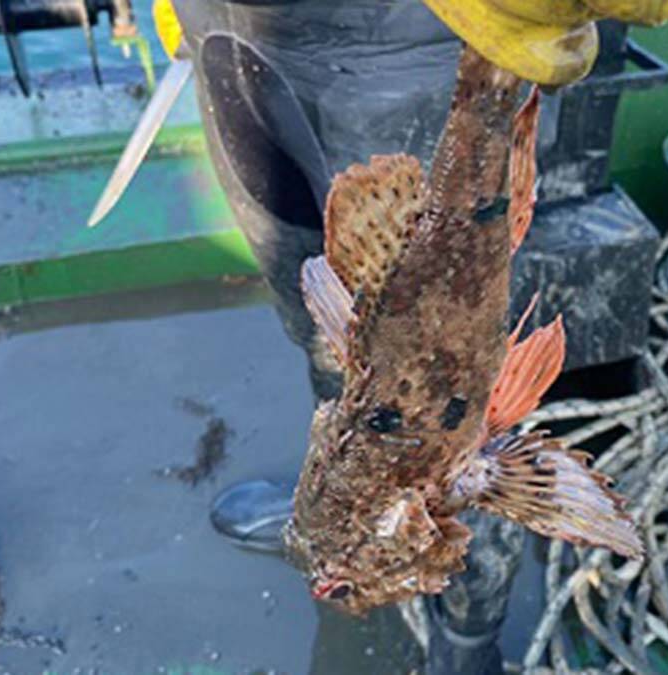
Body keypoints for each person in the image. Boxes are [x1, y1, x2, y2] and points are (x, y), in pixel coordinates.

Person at [172, 2, 520, 672]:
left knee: (457, 398)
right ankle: (330, 526)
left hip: (413, 35)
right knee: (323, 319)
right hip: (228, 27)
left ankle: (470, 634)